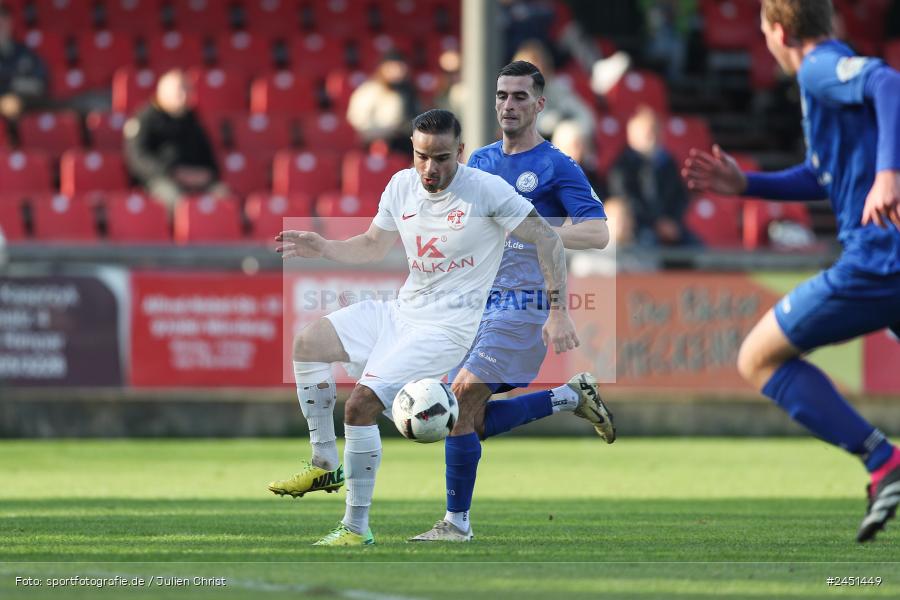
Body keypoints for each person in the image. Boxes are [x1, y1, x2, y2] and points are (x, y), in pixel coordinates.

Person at [270, 108, 576, 546]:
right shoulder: (400, 185)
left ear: (461, 153)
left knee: (359, 407)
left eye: (442, 158)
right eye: (421, 157)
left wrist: (559, 311)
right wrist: (325, 247)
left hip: (446, 330)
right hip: (400, 312)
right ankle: (323, 463)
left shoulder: (487, 191)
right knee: (308, 342)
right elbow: (373, 246)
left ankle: (356, 528)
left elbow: (547, 239)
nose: (430, 169)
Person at [682, 0, 900, 543]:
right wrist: (748, 185)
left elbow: (890, 85)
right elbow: (822, 174)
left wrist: (889, 174)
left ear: (779, 31)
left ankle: (883, 461)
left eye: (764, 33)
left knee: (758, 357)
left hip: (877, 263)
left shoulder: (821, 65)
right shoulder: (825, 76)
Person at [408, 61, 615, 542]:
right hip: (472, 306)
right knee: (465, 420)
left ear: (540, 104)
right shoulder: (477, 162)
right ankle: (568, 397)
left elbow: (599, 232)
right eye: (502, 95)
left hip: (522, 304)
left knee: (456, 401)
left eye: (520, 96)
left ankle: (456, 524)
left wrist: (536, 227)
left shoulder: (555, 166)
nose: (509, 105)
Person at [123, 69, 227, 213]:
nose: (184, 96)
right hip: (161, 179)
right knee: (177, 201)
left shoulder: (192, 119)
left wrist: (208, 173)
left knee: (224, 197)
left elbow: (207, 153)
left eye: (187, 90)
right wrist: (172, 173)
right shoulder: (146, 118)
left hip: (195, 177)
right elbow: (138, 158)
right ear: (162, 92)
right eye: (179, 91)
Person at [609, 106, 697, 247]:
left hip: (670, 226)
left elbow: (680, 196)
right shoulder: (622, 167)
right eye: (647, 133)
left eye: (655, 131)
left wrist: (672, 221)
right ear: (632, 135)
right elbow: (626, 200)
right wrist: (656, 222)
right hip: (639, 227)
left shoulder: (668, 163)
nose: (652, 137)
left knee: (695, 247)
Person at [512, 39, 596, 142]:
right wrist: (560, 121)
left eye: (538, 66)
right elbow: (540, 124)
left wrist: (571, 131)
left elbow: (586, 117)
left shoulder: (557, 88)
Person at [346, 50, 419, 154]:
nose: (397, 72)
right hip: (376, 141)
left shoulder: (408, 91)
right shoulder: (370, 90)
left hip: (404, 139)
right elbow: (358, 119)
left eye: (400, 68)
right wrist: (382, 132)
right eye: (392, 68)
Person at [0, 6, 47, 120]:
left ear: (10, 22)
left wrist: (12, 85)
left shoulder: (24, 52)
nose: (1, 25)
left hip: (24, 111)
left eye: (3, 20)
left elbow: (40, 84)